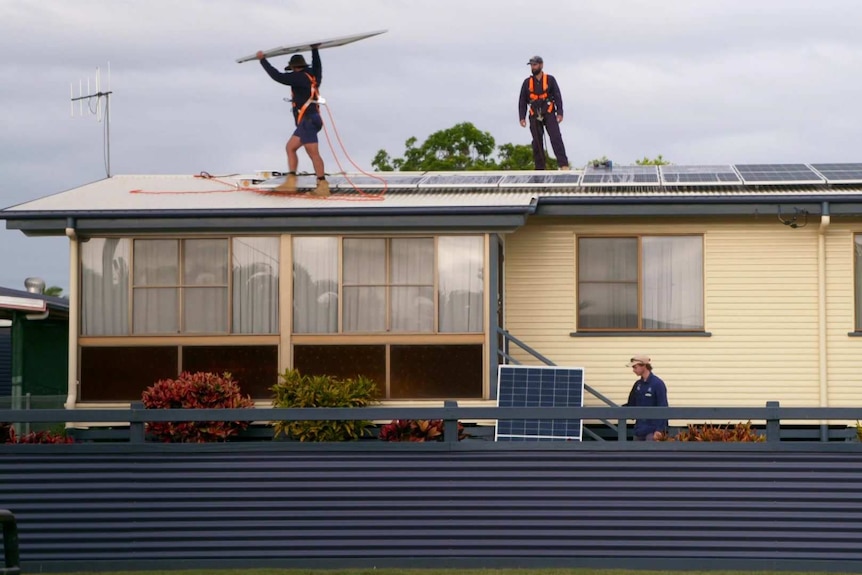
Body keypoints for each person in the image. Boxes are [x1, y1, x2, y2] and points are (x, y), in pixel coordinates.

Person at [256, 46, 330, 197]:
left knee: (313, 153)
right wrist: (314, 51)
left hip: (308, 121)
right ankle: (291, 181)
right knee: (290, 147)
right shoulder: (313, 76)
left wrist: (263, 61)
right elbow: (318, 66)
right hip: (311, 119)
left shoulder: (299, 77)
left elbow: (278, 76)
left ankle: (322, 185)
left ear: (295, 68)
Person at [518, 55, 570, 171]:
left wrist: (560, 112)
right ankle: (540, 168)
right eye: (531, 65)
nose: (533, 67)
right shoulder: (527, 83)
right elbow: (522, 101)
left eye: (535, 64)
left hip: (549, 112)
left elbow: (557, 96)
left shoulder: (550, 80)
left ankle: (563, 164)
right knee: (536, 141)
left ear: (541, 65)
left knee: (556, 137)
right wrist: (522, 117)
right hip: (534, 113)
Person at [623, 355, 668, 441]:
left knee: (651, 453)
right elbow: (631, 404)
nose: (633, 370)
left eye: (635, 367)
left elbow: (663, 407)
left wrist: (659, 430)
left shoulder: (657, 384)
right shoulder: (637, 385)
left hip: (652, 430)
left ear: (643, 366)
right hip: (639, 429)